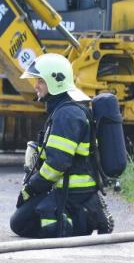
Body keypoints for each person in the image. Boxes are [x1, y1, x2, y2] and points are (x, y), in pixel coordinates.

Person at [10, 53, 114, 238]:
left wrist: (32, 188)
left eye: (40, 81)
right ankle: (86, 212)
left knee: (20, 223)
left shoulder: (67, 115)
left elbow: (57, 164)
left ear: (54, 81)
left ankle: (88, 216)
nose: (36, 86)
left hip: (73, 192)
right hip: (69, 189)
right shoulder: (64, 109)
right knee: (23, 217)